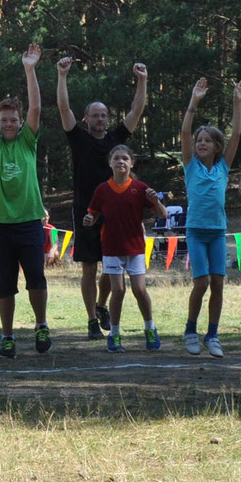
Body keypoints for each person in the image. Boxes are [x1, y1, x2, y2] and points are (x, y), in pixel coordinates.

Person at [55, 56, 149, 339]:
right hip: (85, 210)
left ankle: (100, 305)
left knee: (113, 266)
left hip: (115, 212)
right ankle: (91, 321)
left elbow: (136, 110)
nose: (100, 118)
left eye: (104, 114)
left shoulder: (115, 141)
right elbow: (63, 107)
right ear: (86, 119)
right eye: (94, 115)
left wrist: (142, 80)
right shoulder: (78, 138)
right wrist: (62, 76)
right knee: (88, 267)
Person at [0, 45, 49, 357]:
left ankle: (41, 325)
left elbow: (35, 109)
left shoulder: (28, 142)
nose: (8, 124)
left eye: (13, 120)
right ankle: (7, 336)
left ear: (20, 123)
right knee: (4, 284)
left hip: (30, 221)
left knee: (35, 277)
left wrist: (30, 69)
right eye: (4, 119)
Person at [177, 77, 241, 358]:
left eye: (207, 140)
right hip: (195, 231)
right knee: (202, 282)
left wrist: (236, 102)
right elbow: (184, 133)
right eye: (199, 140)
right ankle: (190, 330)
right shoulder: (190, 166)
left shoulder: (222, 168)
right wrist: (194, 101)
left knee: (218, 282)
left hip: (217, 232)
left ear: (217, 146)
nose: (200, 143)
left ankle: (213, 334)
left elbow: (237, 136)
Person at [83, 145, 168, 351]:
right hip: (111, 247)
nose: (121, 162)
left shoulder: (140, 188)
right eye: (116, 158)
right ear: (110, 163)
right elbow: (92, 214)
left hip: (135, 247)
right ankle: (115, 333)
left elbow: (163, 215)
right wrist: (89, 219)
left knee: (139, 289)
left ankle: (150, 328)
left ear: (132, 163)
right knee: (118, 290)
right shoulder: (102, 189)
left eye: (125, 158)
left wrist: (156, 201)